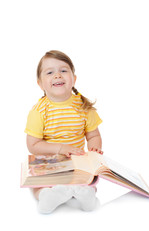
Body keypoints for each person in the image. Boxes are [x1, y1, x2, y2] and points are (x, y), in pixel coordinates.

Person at [25, 50, 103, 214]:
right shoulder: (39, 111)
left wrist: (94, 149)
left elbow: (93, 135)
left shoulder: (83, 106)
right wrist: (61, 149)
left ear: (73, 79)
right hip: (49, 162)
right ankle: (46, 195)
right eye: (50, 72)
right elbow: (33, 145)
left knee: (90, 178)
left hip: (77, 162)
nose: (58, 75)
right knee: (37, 181)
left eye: (63, 70)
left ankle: (87, 196)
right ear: (40, 84)